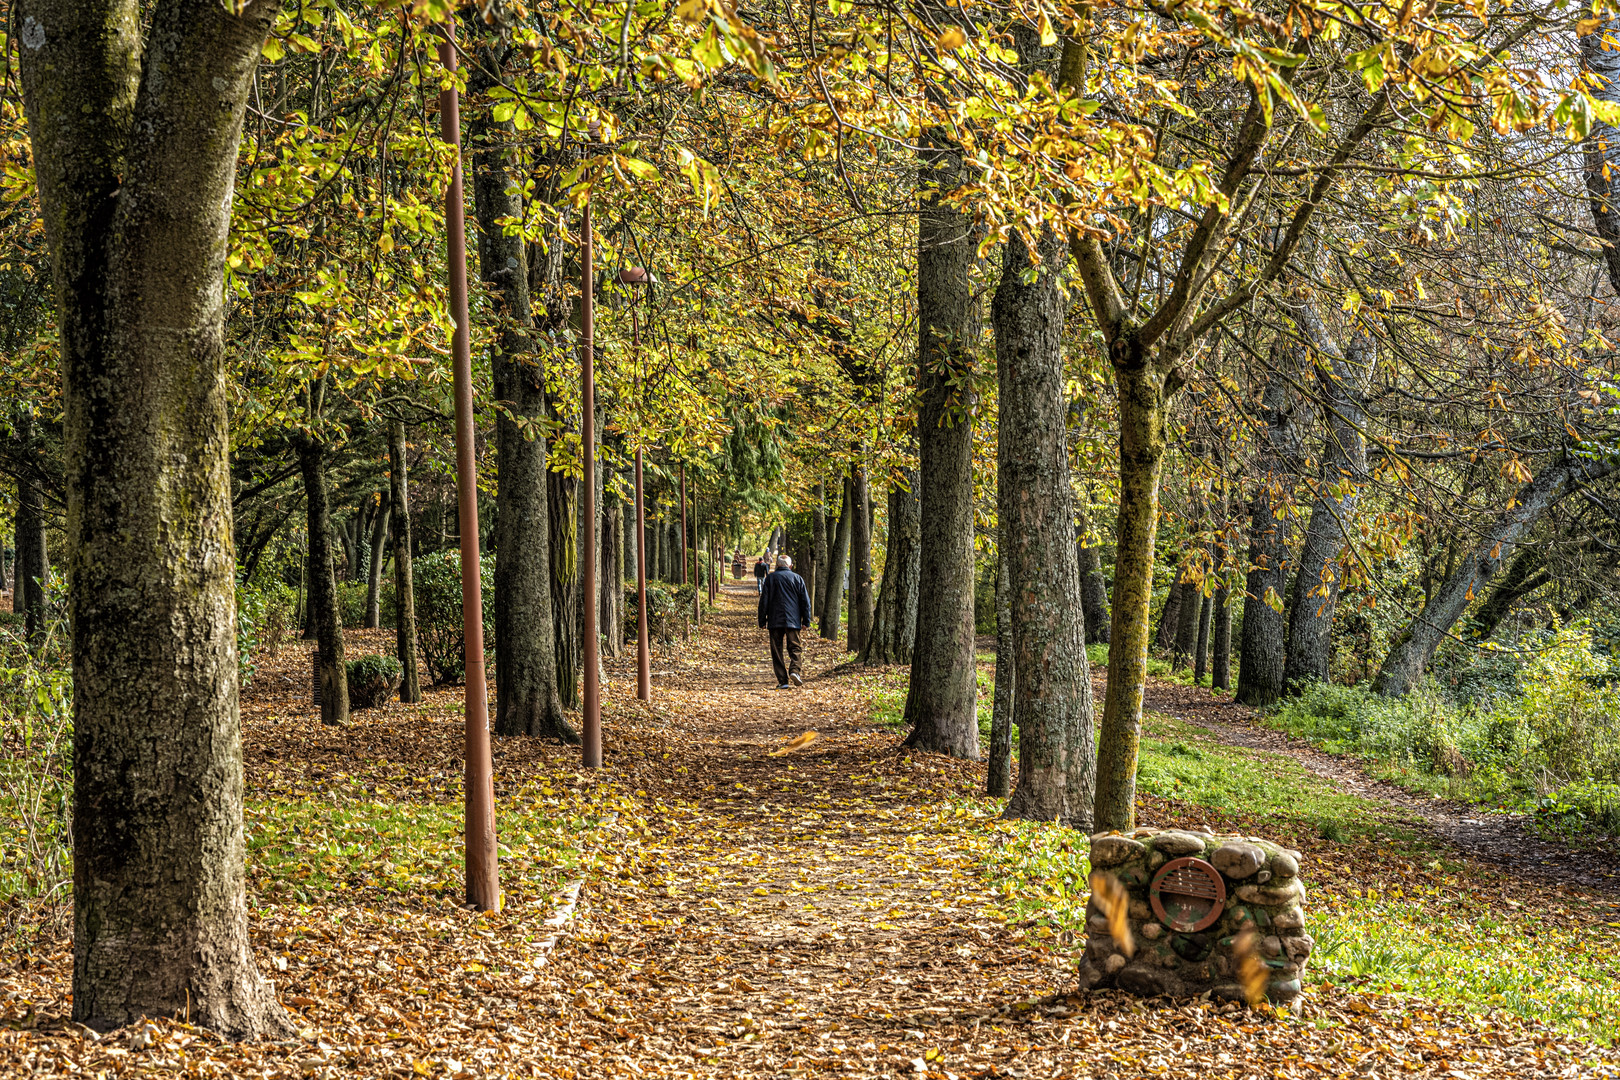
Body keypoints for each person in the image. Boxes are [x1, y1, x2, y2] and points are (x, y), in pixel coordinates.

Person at [759, 554, 812, 689]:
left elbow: (763, 601)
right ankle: (795, 671)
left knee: (776, 650)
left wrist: (762, 620)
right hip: (793, 620)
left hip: (775, 620)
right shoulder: (797, 579)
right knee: (795, 647)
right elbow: (805, 602)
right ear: (790, 566)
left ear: (777, 565)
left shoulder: (770, 579)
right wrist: (806, 620)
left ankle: (783, 680)